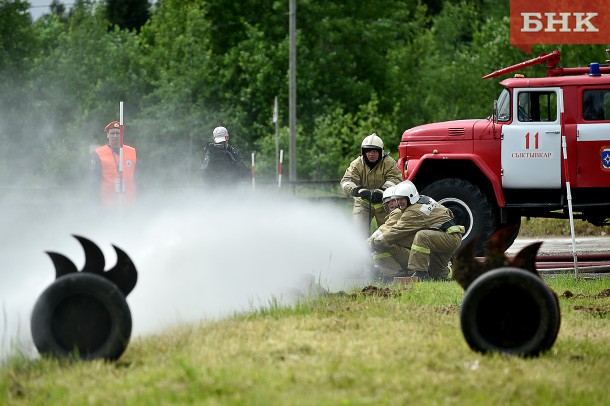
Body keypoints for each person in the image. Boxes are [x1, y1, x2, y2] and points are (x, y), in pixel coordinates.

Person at [368, 180, 465, 281]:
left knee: (422, 236)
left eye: (402, 199)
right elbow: (447, 213)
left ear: (410, 197)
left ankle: (420, 274)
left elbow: (396, 232)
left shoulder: (413, 212)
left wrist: (373, 244)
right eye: (397, 199)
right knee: (437, 276)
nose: (398, 202)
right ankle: (443, 275)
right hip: (447, 236)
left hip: (448, 238)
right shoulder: (424, 200)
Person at [340, 133, 402, 237]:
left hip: (384, 203)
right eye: (368, 151)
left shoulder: (389, 162)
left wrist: (383, 191)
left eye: (374, 151)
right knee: (358, 233)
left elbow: (395, 179)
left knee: (388, 234)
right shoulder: (357, 163)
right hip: (363, 203)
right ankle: (362, 252)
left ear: (381, 152)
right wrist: (357, 191)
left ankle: (388, 252)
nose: (371, 154)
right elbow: (346, 181)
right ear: (363, 152)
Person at [90, 121, 137, 208]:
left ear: (122, 134)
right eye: (112, 133)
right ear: (107, 135)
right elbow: (94, 181)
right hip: (108, 205)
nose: (115, 136)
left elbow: (139, 177)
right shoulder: (98, 154)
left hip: (129, 204)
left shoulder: (132, 152)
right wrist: (95, 204)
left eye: (118, 133)